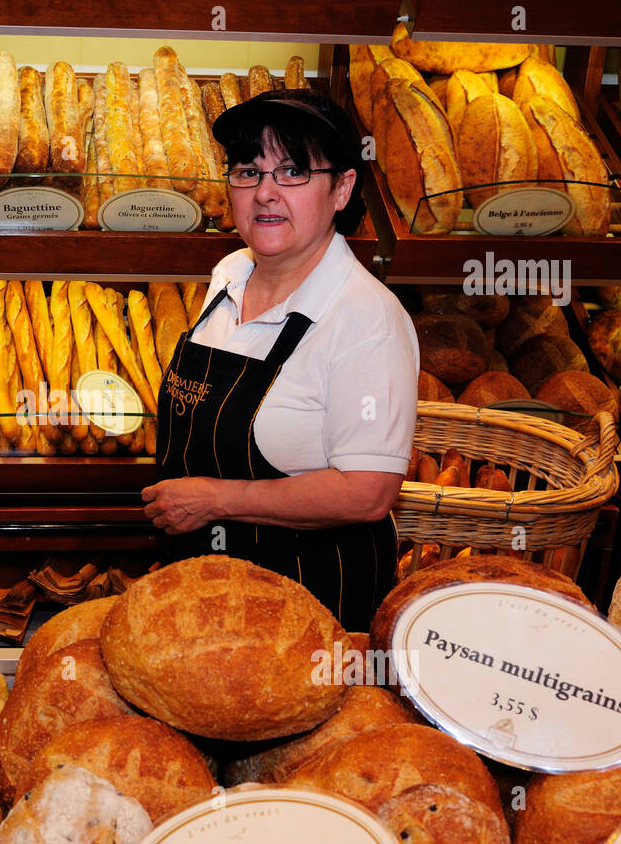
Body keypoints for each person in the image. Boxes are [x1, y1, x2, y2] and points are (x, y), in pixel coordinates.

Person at [141, 88, 419, 630]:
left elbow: (368, 493)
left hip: (309, 607)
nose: (266, 193)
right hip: (202, 589)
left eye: (292, 172)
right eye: (248, 172)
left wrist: (216, 500)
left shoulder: (367, 318)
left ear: (341, 188)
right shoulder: (228, 275)